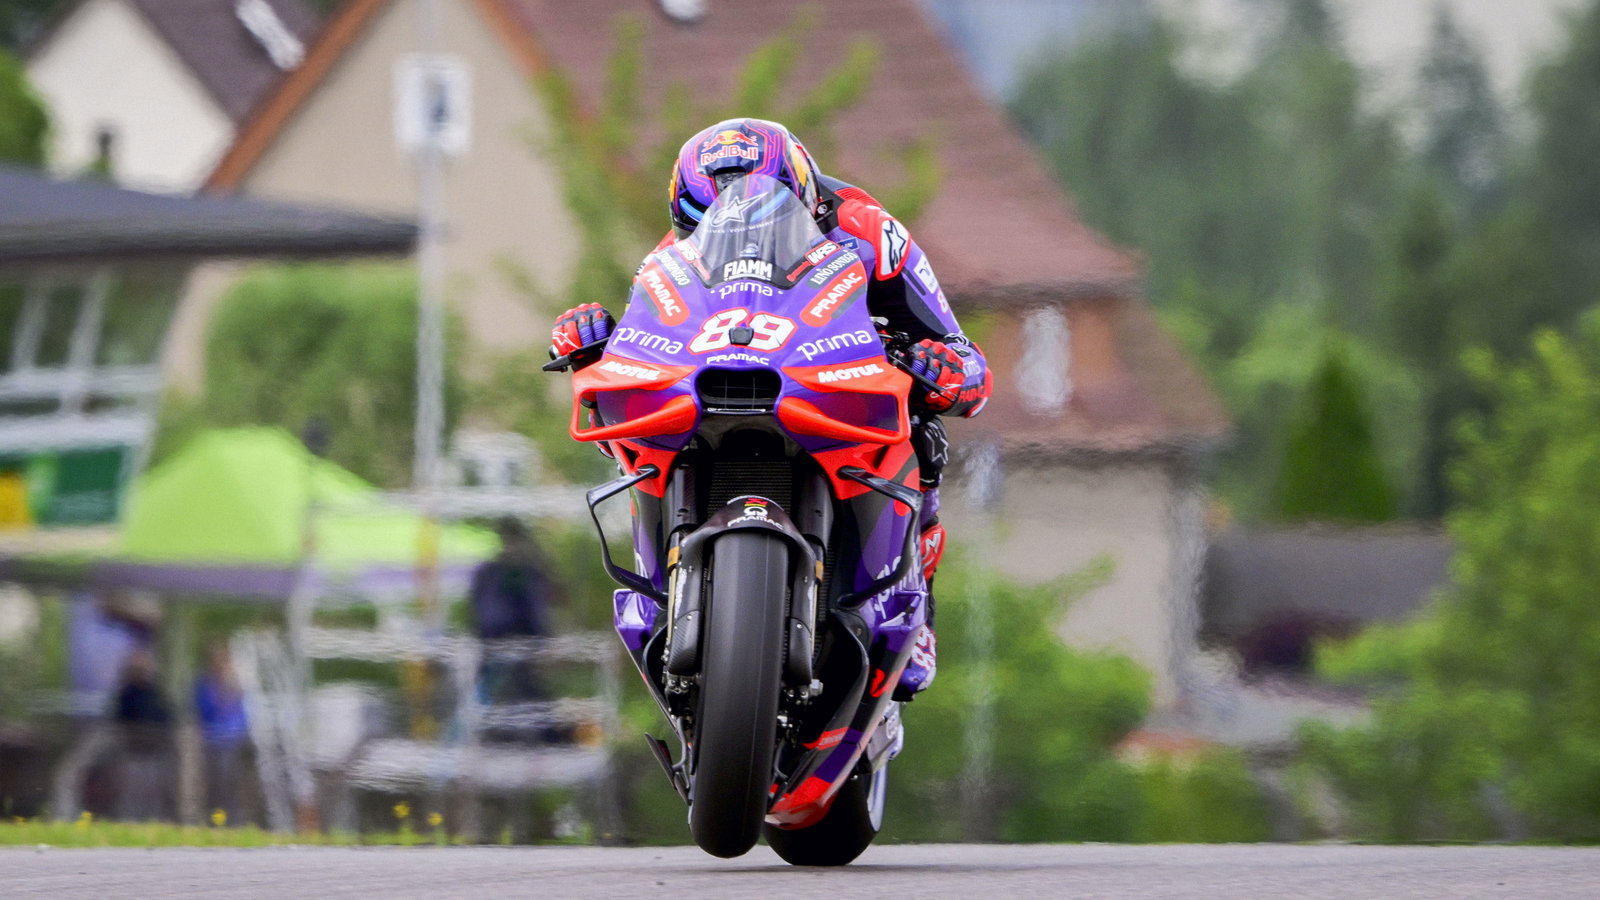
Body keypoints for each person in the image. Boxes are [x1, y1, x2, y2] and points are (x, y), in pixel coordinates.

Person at [550, 119, 992, 698]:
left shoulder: (871, 231)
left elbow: (959, 349)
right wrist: (591, 343)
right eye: (704, 217)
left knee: (923, 428)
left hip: (827, 380)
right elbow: (643, 341)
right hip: (716, 385)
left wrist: (945, 367)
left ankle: (915, 597)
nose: (731, 228)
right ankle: (660, 585)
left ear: (804, 191)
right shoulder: (672, 255)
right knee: (634, 429)